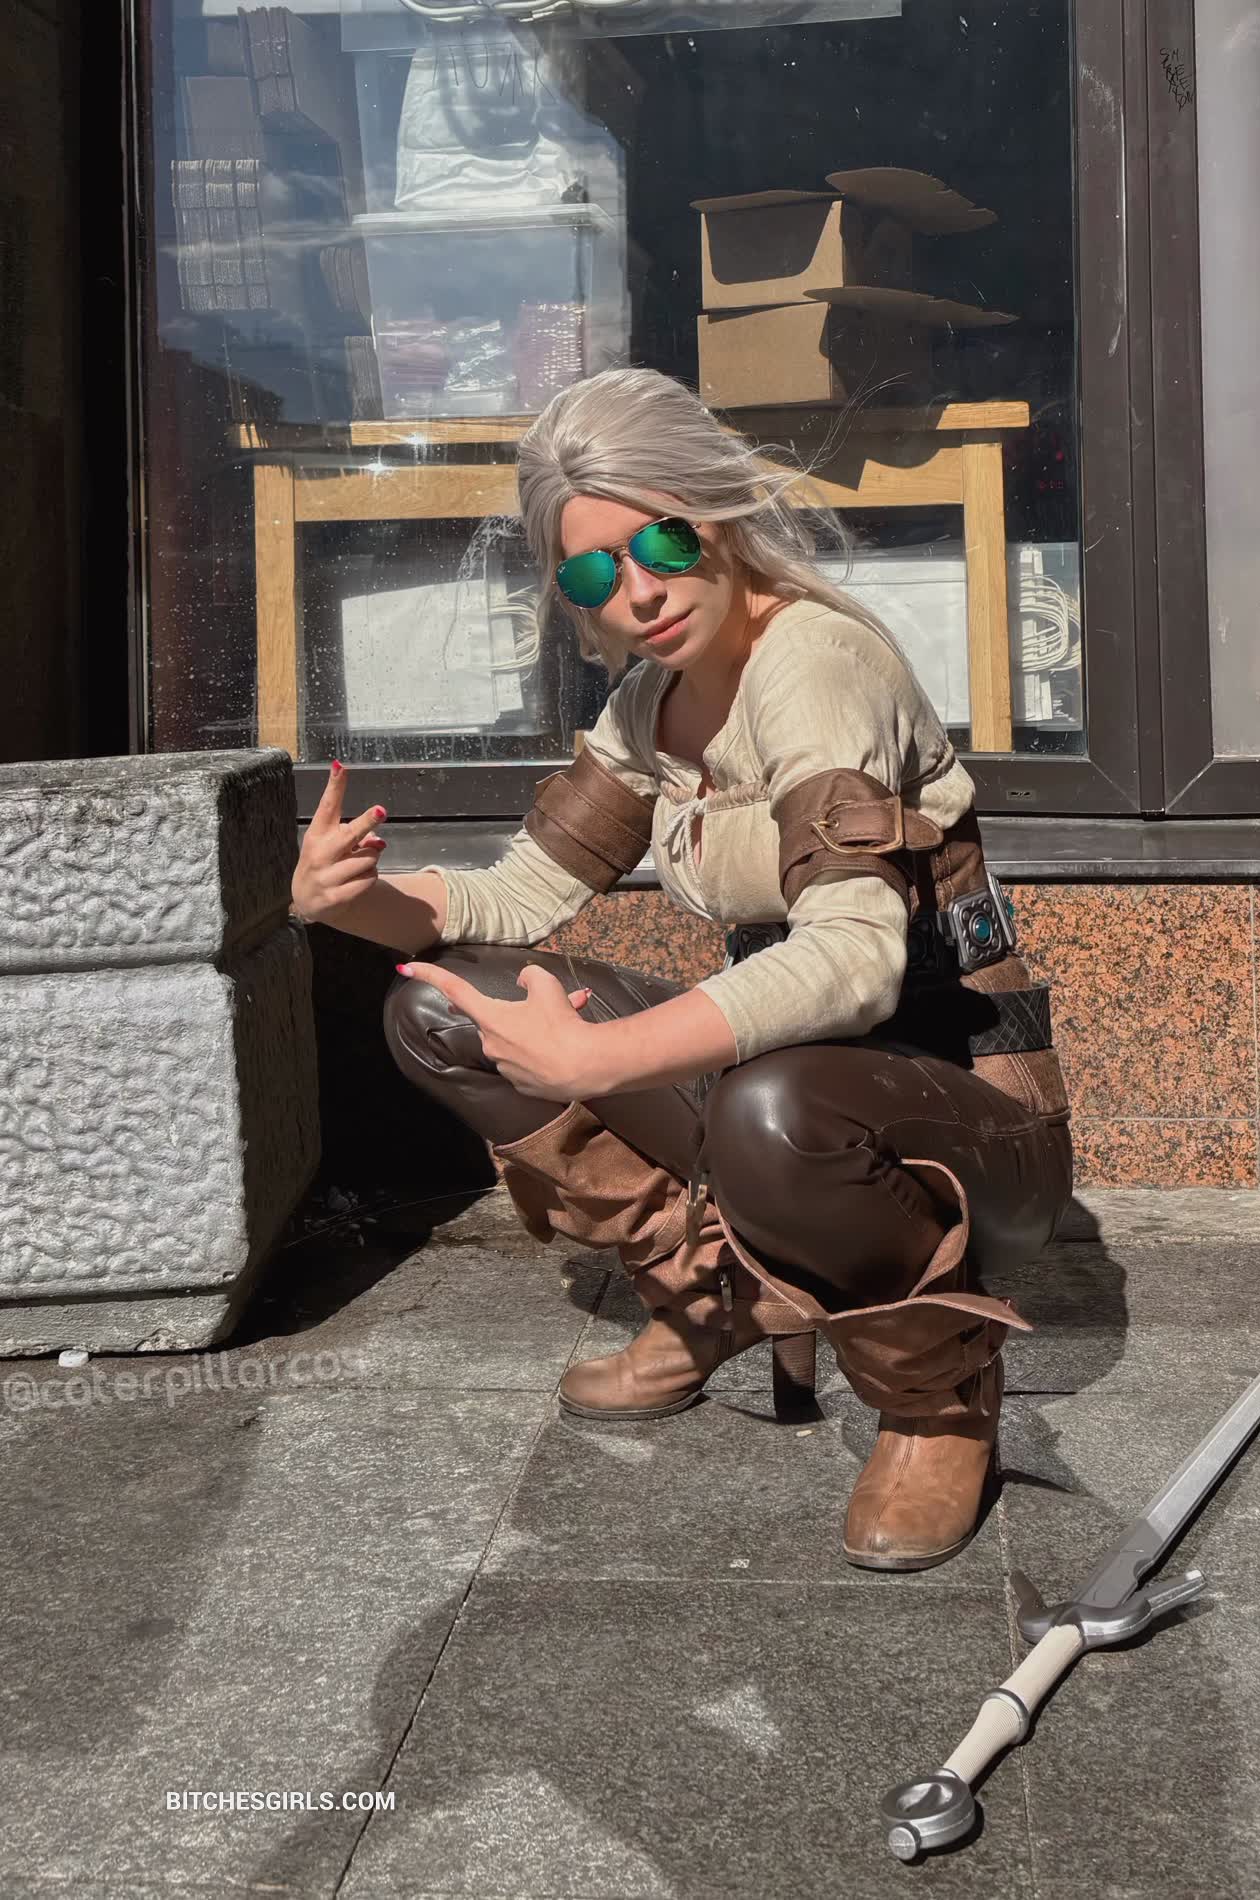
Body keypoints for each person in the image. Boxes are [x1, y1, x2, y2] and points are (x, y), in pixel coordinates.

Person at [291, 367, 1073, 1571]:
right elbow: (520, 894)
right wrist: (357, 902)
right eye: (593, 574)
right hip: (796, 1089)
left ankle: (937, 1399)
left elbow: (857, 960)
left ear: (716, 512)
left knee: (769, 1108)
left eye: (660, 540)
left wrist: (598, 1056)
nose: (639, 591)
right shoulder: (650, 706)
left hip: (964, 1119)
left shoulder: (816, 666)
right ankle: (710, 1294)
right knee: (447, 1009)